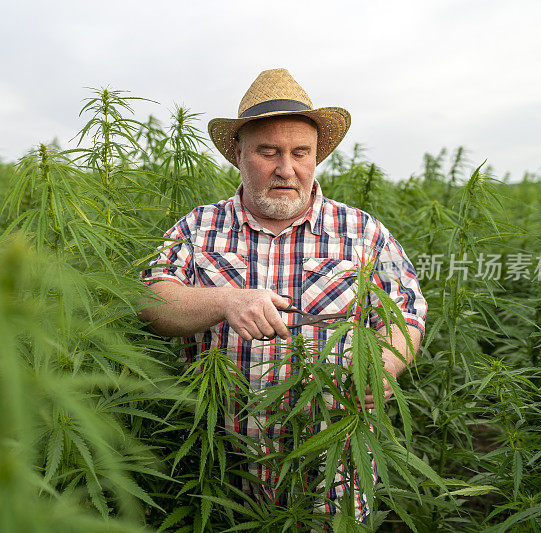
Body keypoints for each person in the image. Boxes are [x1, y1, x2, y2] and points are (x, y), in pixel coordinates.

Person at [139, 68, 426, 522]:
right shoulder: (197, 228)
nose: (285, 169)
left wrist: (386, 364)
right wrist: (225, 301)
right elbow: (152, 302)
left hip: (331, 470)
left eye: (300, 153)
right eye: (267, 152)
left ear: (317, 157)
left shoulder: (365, 232)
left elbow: (405, 312)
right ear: (238, 154)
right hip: (218, 472)